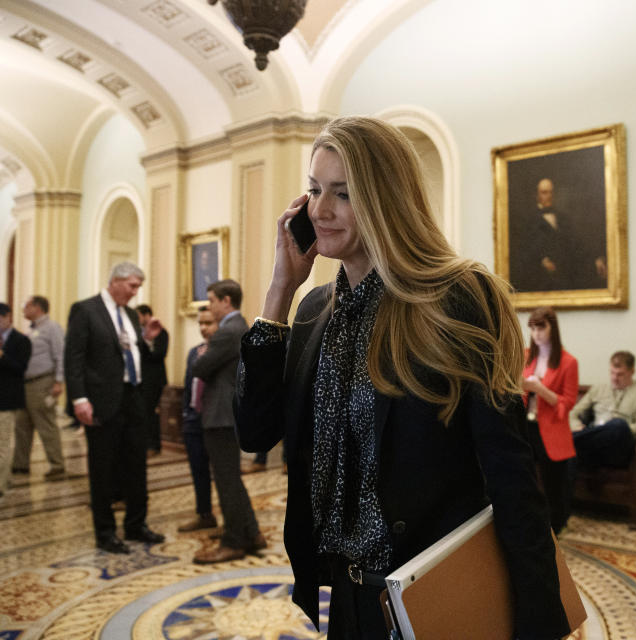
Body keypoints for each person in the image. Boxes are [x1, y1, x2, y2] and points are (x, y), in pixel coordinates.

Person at [235, 116, 569, 639]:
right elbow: (255, 432)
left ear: (386, 199)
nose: (320, 210)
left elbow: (511, 474)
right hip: (347, 598)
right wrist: (280, 290)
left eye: (342, 194)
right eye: (314, 190)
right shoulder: (315, 310)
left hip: (433, 592)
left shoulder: (456, 298)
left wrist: (538, 623)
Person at [63, 262, 165, 553]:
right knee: (103, 469)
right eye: (132, 286)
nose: (135, 292)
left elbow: (130, 353)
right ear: (116, 281)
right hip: (101, 400)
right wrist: (79, 399)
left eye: (137, 287)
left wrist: (146, 339)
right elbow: (74, 358)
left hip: (133, 397)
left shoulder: (132, 315)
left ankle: (136, 525)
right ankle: (105, 532)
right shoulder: (85, 310)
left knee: (136, 464)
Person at [191, 279, 264, 563]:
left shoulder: (227, 332)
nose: (209, 307)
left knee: (226, 481)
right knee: (232, 479)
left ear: (226, 301)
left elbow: (199, 367)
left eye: (211, 301)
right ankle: (253, 533)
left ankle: (233, 541)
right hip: (227, 413)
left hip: (220, 415)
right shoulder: (239, 326)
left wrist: (201, 356)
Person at [521, 306, 578, 534]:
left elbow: (568, 401)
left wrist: (539, 388)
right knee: (523, 476)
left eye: (541, 327)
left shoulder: (568, 362)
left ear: (552, 328)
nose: (536, 333)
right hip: (527, 424)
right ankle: (530, 521)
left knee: (554, 482)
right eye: (533, 328)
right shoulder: (526, 356)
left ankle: (558, 524)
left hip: (552, 428)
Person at [570, 350, 636, 470]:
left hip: (619, 447)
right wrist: (576, 426)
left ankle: (571, 441)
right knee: (572, 454)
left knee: (618, 424)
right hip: (592, 447)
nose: (614, 378)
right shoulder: (599, 388)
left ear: (632, 372)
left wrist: (617, 430)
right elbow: (573, 413)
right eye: (612, 373)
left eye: (620, 374)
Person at [13, 296, 66, 480]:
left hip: (43, 383)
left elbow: (61, 355)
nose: (23, 310)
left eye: (25, 306)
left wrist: (59, 382)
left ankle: (57, 465)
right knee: (22, 425)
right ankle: (20, 464)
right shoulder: (31, 330)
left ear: (37, 307)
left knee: (46, 425)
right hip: (25, 385)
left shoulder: (52, 328)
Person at [177, 305, 218, 533]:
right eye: (200, 323)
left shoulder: (225, 350)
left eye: (208, 323)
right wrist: (186, 413)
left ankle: (232, 521)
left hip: (215, 421)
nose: (203, 328)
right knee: (198, 471)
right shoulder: (195, 352)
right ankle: (204, 513)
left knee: (221, 474)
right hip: (193, 419)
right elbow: (187, 385)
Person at [0, 302, 32, 499]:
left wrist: (2, 356)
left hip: (6, 400)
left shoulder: (21, 340)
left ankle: (1, 485)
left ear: (8, 318)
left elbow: (21, 368)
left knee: (2, 444)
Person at [135, 304, 168, 457]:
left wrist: (148, 342)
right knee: (141, 412)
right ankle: (143, 443)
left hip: (154, 380)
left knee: (151, 412)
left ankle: (154, 445)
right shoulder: (139, 333)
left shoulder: (161, 332)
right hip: (140, 380)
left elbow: (159, 355)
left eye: (138, 315)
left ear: (146, 315)